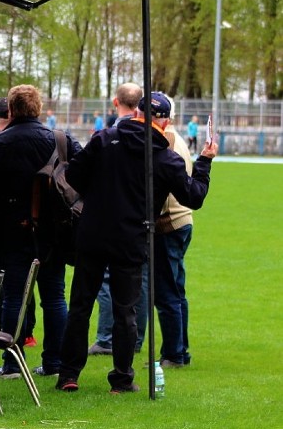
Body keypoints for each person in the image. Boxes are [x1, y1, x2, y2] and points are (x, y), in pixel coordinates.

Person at [56, 90, 217, 394]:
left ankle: (69, 373)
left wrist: (100, 191)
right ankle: (121, 378)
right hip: (131, 237)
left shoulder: (104, 140)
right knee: (125, 310)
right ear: (165, 122)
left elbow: (74, 176)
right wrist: (205, 161)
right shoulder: (164, 158)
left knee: (80, 306)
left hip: (93, 231)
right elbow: (194, 196)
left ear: (137, 113)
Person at [0, 84, 81, 379]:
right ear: (38, 108)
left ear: (12, 110)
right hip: (54, 231)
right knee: (54, 297)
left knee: (13, 297)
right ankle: (55, 362)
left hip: (12, 231)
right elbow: (82, 179)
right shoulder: (60, 140)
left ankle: (12, 362)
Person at [88, 83, 150, 357]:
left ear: (116, 101)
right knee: (138, 283)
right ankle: (133, 341)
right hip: (139, 222)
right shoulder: (151, 137)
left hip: (110, 220)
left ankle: (105, 338)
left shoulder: (107, 135)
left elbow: (82, 175)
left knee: (105, 282)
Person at [153, 100, 196, 368]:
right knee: (176, 290)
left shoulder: (165, 141)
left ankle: (173, 354)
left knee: (167, 292)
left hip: (169, 222)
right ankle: (180, 350)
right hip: (182, 221)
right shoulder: (175, 138)